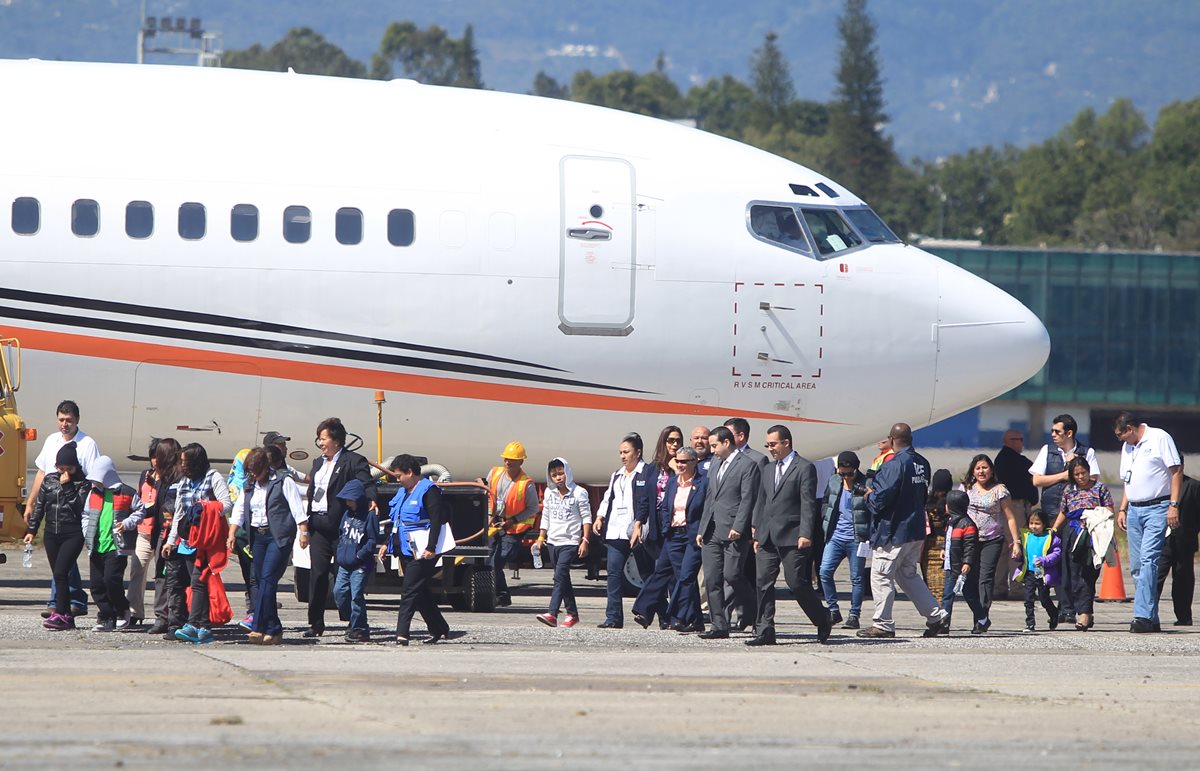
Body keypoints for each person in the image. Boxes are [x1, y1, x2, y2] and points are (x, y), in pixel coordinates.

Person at [858, 423, 949, 639]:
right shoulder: (922, 463)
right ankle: (937, 617)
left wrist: (868, 495)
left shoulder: (894, 464)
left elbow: (881, 500)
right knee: (907, 574)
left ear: (891, 439)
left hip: (893, 530)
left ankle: (883, 624)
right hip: (915, 528)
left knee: (881, 574)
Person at [747, 425, 831, 646]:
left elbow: (808, 503)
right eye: (767, 445)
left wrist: (805, 533)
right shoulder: (767, 469)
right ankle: (765, 629)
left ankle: (822, 618)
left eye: (773, 444)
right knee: (763, 582)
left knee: (797, 583)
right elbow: (761, 501)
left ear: (786, 443)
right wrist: (756, 529)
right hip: (767, 535)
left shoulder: (804, 468)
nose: (770, 449)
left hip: (793, 535)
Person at [226, 446, 309, 645]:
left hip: (277, 537)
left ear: (266, 467)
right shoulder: (249, 484)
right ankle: (274, 628)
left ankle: (259, 626)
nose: (252, 475)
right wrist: (231, 533)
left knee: (267, 579)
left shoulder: (283, 481)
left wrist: (303, 532)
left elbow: (297, 508)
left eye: (256, 471)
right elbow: (239, 509)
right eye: (250, 471)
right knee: (261, 580)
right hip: (258, 537)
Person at [25, 400, 99, 619]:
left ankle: (63, 603)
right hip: (53, 511)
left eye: (69, 420)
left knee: (62, 564)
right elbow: (41, 473)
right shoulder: (51, 441)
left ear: (77, 420)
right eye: (61, 419)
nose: (64, 424)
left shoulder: (87, 444)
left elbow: (94, 481)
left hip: (74, 512)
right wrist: (31, 502)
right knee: (60, 563)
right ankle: (68, 601)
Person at [304, 417, 374, 637]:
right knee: (317, 575)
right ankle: (315, 623)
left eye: (323, 438)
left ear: (336, 440)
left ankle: (354, 623)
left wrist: (371, 502)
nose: (320, 442)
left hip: (343, 528)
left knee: (347, 577)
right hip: (318, 525)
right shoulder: (317, 463)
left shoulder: (353, 460)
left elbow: (367, 484)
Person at [1114, 412, 1183, 634]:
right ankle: (1151, 617)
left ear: (1131, 428)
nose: (1122, 441)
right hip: (1134, 509)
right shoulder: (1128, 447)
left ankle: (1141, 615)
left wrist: (1174, 504)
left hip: (1158, 507)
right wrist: (1123, 508)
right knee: (1136, 566)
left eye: (1122, 435)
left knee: (1148, 560)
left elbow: (1176, 470)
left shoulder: (1159, 438)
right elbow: (1128, 479)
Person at [1030, 413, 1099, 622]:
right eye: (1052, 431)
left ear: (1069, 433)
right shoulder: (1047, 450)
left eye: (1057, 431)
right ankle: (1061, 605)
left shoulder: (1087, 452)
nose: (1053, 435)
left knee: (1074, 562)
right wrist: (1063, 475)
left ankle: (1070, 607)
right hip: (1051, 514)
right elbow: (1036, 480)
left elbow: (1094, 479)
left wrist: (1076, 468)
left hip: (1077, 517)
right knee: (1055, 561)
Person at [383, 454, 457, 646]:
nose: (397, 480)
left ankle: (402, 633)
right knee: (419, 591)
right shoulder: (402, 492)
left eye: (400, 476)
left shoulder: (429, 490)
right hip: (404, 548)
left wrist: (431, 547)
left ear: (410, 472)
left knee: (408, 590)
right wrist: (385, 543)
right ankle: (439, 627)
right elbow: (395, 520)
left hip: (423, 550)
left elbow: (436, 520)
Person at [696, 426, 759, 640]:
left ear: (726, 442)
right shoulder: (715, 463)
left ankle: (756, 614)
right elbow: (710, 497)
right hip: (712, 529)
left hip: (733, 529)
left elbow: (747, 499)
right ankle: (718, 625)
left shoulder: (747, 465)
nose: (711, 449)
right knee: (712, 578)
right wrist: (702, 528)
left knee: (732, 575)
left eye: (714, 445)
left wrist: (739, 527)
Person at [167, 443, 232, 644]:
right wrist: (171, 540)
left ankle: (193, 624)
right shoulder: (184, 483)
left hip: (206, 542)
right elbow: (178, 513)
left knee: (198, 582)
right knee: (198, 585)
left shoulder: (213, 477)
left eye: (186, 462)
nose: (183, 466)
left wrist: (206, 510)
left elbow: (227, 503)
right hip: (188, 541)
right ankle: (204, 628)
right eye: (181, 462)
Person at [23, 442, 90, 631]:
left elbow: (79, 508)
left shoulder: (82, 483)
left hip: (73, 533)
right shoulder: (50, 480)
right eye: (61, 469)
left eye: (69, 468)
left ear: (75, 467)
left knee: (62, 572)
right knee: (58, 574)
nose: (64, 473)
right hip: (52, 533)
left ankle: (62, 613)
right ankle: (64, 614)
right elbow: (40, 507)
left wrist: (68, 486)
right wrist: (32, 530)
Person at [593, 433, 651, 628]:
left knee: (648, 574)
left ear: (638, 452)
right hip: (616, 530)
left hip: (635, 530)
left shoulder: (646, 472)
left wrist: (640, 524)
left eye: (626, 452)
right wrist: (600, 517)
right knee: (613, 574)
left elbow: (647, 502)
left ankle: (663, 615)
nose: (623, 456)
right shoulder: (616, 474)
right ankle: (613, 618)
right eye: (620, 453)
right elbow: (608, 497)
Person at [1052, 456, 1114, 631]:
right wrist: (1054, 530)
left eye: (1083, 473)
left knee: (1087, 575)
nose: (1081, 477)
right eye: (1076, 474)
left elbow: (1109, 509)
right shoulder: (1069, 490)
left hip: (1091, 535)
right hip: (1071, 534)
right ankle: (1079, 610)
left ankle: (1084, 614)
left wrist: (1092, 517)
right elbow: (1063, 512)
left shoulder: (1100, 488)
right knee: (1072, 574)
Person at [961, 454, 1020, 634]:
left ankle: (980, 620)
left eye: (985, 467)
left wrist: (1015, 542)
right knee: (968, 581)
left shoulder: (1000, 490)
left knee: (985, 579)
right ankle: (981, 615)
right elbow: (956, 512)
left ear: (991, 470)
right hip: (969, 540)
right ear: (973, 470)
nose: (981, 471)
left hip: (992, 540)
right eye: (978, 468)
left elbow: (1010, 517)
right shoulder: (966, 488)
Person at [630, 426, 682, 628]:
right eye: (670, 440)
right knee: (661, 571)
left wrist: (677, 468)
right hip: (655, 523)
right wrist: (637, 525)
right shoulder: (651, 469)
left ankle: (650, 611)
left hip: (675, 523)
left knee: (668, 572)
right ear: (663, 442)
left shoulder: (683, 465)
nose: (674, 444)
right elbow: (644, 501)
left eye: (678, 440)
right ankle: (664, 617)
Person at [83, 456, 140, 632]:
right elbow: (85, 515)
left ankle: (122, 609)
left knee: (111, 581)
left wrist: (128, 523)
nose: (95, 482)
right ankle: (106, 615)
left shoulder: (127, 493)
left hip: (117, 547)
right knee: (96, 585)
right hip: (96, 546)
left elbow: (140, 511)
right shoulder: (93, 494)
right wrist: (87, 532)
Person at [535, 457, 592, 628]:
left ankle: (552, 613)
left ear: (567, 472)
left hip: (570, 541)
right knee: (563, 578)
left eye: (561, 473)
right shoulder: (549, 493)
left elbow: (586, 518)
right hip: (553, 541)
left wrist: (585, 540)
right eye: (554, 475)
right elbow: (546, 516)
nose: (558, 478)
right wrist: (541, 537)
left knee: (559, 576)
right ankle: (572, 614)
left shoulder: (579, 492)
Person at [482, 441, 540, 608]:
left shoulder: (526, 483)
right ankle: (502, 596)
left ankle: (499, 595)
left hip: (515, 528)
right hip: (495, 524)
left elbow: (533, 508)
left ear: (521, 462)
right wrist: (488, 516)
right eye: (506, 459)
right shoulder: (494, 473)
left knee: (496, 562)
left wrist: (512, 520)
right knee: (487, 562)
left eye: (512, 460)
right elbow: (487, 495)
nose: (508, 462)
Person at [658, 446, 709, 633]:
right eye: (677, 461)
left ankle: (677, 614)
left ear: (694, 462)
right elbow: (665, 507)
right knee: (683, 578)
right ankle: (696, 620)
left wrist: (701, 531)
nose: (679, 464)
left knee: (687, 576)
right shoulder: (672, 483)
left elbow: (706, 510)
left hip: (693, 535)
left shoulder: (703, 483)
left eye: (683, 461)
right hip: (674, 535)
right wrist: (666, 529)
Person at [723, 417, 767, 629]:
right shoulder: (723, 458)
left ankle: (748, 615)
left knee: (743, 574)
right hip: (727, 526)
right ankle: (730, 616)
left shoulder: (757, 459)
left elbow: (759, 496)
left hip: (748, 527)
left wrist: (755, 525)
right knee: (731, 573)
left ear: (740, 436)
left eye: (728, 434)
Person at [818, 451, 870, 629]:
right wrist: (825, 523)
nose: (846, 477)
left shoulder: (867, 484)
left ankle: (854, 615)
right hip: (835, 537)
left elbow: (875, 509)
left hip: (857, 538)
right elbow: (826, 502)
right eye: (843, 473)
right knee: (824, 572)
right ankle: (833, 610)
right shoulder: (833, 481)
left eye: (850, 473)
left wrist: (870, 496)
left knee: (856, 578)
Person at [333, 479, 379, 642]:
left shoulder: (370, 515)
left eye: (350, 499)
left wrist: (359, 555)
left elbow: (373, 540)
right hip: (344, 563)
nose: (348, 502)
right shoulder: (346, 514)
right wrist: (340, 553)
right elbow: (341, 534)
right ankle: (352, 621)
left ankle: (360, 628)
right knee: (339, 593)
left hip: (360, 564)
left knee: (356, 595)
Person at [146, 438, 183, 636]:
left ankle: (173, 618)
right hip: (161, 531)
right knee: (160, 573)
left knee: (173, 577)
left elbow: (172, 507)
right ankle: (161, 616)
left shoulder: (178, 478)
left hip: (174, 533)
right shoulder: (163, 477)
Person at [125, 439, 162, 628]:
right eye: (153, 457)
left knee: (162, 576)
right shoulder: (144, 475)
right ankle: (134, 611)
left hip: (162, 532)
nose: (155, 461)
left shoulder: (170, 477)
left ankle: (163, 614)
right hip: (144, 531)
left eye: (159, 456)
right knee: (137, 571)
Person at [1155, 471, 1199, 626]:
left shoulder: (1193, 486)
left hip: (1185, 540)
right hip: (1162, 540)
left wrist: (1192, 531)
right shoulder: (1159, 485)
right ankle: (1149, 613)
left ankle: (1184, 616)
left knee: (1183, 578)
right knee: (1156, 575)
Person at [938, 490, 982, 634]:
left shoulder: (967, 525)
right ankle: (944, 624)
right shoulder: (951, 523)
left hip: (962, 568)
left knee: (970, 596)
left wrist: (967, 563)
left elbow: (971, 546)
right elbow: (949, 539)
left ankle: (982, 619)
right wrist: (944, 548)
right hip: (952, 566)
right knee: (947, 595)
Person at [1013, 509, 1061, 632]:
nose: (1033, 526)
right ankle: (1030, 623)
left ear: (1044, 524)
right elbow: (1022, 555)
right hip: (1029, 572)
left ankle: (1054, 614)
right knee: (1028, 599)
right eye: (1031, 523)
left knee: (1044, 598)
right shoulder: (1026, 537)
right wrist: (1016, 554)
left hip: (1043, 574)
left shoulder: (1051, 538)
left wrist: (1044, 560)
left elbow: (1057, 554)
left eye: (1037, 523)